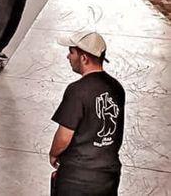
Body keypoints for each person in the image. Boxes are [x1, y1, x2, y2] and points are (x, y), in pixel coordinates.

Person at [49, 31, 125, 196]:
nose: (68, 57)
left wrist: (53, 154)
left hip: (77, 178)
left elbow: (63, 137)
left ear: (84, 58)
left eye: (71, 52)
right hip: (107, 175)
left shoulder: (77, 90)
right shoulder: (117, 87)